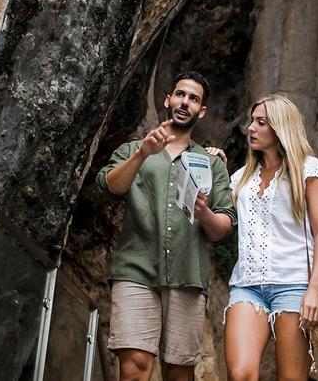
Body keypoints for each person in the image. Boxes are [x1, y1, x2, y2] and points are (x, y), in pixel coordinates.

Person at [97, 71, 236, 381]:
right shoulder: (134, 150)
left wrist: (204, 213)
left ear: (202, 111)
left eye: (194, 99)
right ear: (168, 99)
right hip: (136, 271)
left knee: (178, 373)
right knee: (134, 369)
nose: (185, 102)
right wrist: (143, 154)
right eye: (180, 94)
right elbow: (109, 187)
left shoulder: (212, 164)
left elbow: (224, 227)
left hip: (186, 276)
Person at [224, 94, 318, 381]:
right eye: (252, 121)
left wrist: (315, 289)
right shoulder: (240, 178)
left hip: (294, 286)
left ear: (280, 129)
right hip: (247, 285)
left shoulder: (308, 170)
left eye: (261, 123)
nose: (251, 128)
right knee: (240, 374)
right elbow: (220, 220)